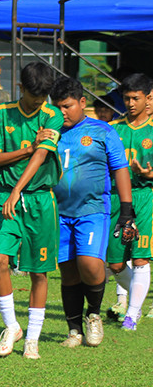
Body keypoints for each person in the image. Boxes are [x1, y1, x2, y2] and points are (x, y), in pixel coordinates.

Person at [0, 62, 63, 359]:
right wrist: (25, 150)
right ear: (20, 88)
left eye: (43, 97)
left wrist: (19, 188)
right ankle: (12, 326)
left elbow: (43, 155)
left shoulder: (52, 115)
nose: (39, 103)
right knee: (0, 260)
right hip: (7, 197)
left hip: (40, 200)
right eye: (33, 97)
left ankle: (33, 339)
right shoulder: (2, 114)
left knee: (38, 272)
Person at [50, 77, 132, 348]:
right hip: (58, 212)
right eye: (57, 106)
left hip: (93, 210)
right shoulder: (51, 131)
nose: (62, 112)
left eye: (67, 106)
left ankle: (93, 315)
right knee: (68, 271)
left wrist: (126, 209)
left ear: (82, 102)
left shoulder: (103, 131)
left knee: (90, 264)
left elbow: (120, 168)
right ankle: (73, 331)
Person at [104, 73, 153, 330]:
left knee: (141, 258)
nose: (131, 103)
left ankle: (132, 315)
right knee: (114, 263)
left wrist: (149, 174)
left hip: (146, 196)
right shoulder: (113, 129)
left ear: (148, 98)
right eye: (126, 98)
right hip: (116, 198)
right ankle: (138, 298)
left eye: (136, 98)